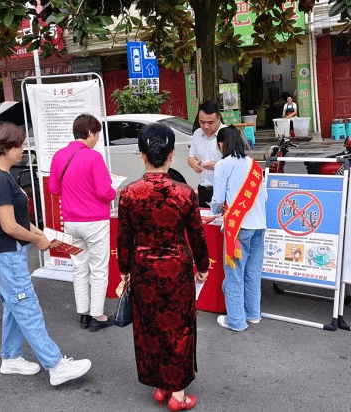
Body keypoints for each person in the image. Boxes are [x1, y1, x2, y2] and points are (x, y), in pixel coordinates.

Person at [0, 121, 92, 386]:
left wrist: (40, 235)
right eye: (18, 145)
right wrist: (38, 240)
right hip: (5, 253)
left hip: (8, 252)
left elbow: (16, 219)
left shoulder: (0, 175)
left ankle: (11, 357)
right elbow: (9, 226)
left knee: (14, 306)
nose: (22, 149)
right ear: (5, 148)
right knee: (27, 307)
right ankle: (55, 364)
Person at [117, 123, 209, 411]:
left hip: (143, 268)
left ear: (142, 156)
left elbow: (124, 238)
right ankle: (178, 394)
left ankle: (159, 385)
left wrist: (124, 270)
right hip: (177, 268)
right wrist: (203, 266)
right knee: (179, 327)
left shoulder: (129, 194)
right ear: (171, 155)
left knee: (149, 327)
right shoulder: (184, 194)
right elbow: (196, 235)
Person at [48, 114, 116, 331]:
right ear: (89, 133)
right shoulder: (94, 158)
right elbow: (105, 192)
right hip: (95, 221)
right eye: (96, 134)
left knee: (79, 268)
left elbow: (54, 189)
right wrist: (116, 191)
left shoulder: (59, 155)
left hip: (71, 222)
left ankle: (83, 314)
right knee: (98, 268)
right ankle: (98, 315)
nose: (96, 139)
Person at [211, 126, 267, 332]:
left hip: (238, 228)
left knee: (234, 275)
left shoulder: (223, 165)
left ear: (221, 144)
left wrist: (216, 210)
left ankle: (235, 320)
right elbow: (264, 196)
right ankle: (253, 314)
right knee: (252, 273)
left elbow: (217, 200)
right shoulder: (254, 165)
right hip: (259, 225)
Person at [187, 100, 225, 208]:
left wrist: (217, 166)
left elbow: (237, 163)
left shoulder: (228, 134)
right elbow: (191, 157)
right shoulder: (197, 134)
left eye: (210, 123)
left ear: (218, 118)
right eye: (202, 122)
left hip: (222, 189)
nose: (206, 127)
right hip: (203, 189)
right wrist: (194, 163)